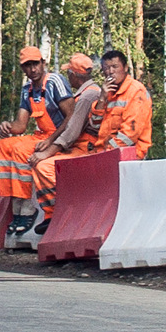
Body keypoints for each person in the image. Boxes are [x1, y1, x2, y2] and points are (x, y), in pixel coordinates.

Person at [0, 46, 75, 236]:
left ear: (43, 63)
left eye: (35, 64)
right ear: (23, 68)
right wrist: (7, 126)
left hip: (60, 136)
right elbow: (20, 126)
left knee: (21, 151)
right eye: (27, 66)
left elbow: (72, 116)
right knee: (3, 146)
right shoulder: (27, 90)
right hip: (42, 135)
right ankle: (16, 202)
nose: (32, 69)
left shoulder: (55, 82)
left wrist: (52, 141)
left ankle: (28, 208)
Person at [28, 53, 102, 235]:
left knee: (44, 167)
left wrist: (48, 152)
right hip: (80, 146)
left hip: (85, 148)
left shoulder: (87, 96)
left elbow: (72, 132)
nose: (68, 77)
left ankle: (57, 211)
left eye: (69, 73)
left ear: (75, 75)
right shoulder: (86, 94)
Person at [89, 50, 152, 159]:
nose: (111, 71)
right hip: (105, 152)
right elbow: (95, 126)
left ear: (125, 68)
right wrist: (102, 98)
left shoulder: (136, 91)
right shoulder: (107, 92)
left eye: (115, 66)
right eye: (107, 68)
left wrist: (106, 153)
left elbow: (130, 134)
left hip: (130, 155)